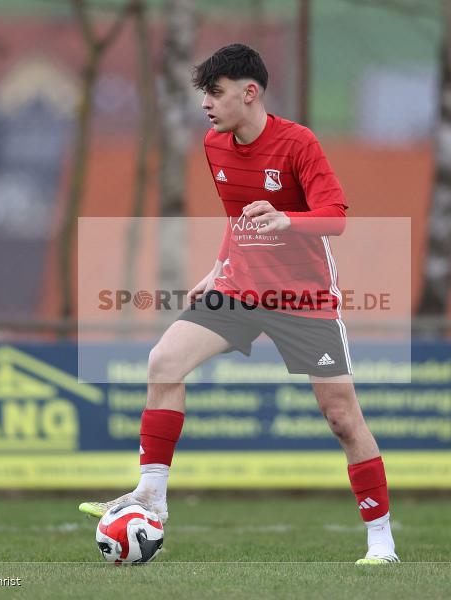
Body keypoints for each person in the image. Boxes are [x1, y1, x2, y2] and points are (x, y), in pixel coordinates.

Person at [80, 43, 399, 565]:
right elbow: (236, 222)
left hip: (304, 297)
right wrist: (215, 271)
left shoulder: (299, 144)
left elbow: (336, 216)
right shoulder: (215, 145)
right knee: (163, 361)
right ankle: (152, 498)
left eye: (216, 92)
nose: (206, 103)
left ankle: (381, 540)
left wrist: (287, 219)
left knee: (341, 416)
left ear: (249, 93)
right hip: (241, 289)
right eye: (204, 93)